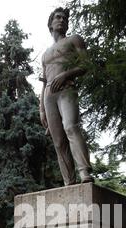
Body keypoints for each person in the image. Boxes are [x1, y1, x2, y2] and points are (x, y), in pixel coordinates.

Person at [40, 7, 94, 186]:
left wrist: (65, 74)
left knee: (71, 127)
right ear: (50, 24)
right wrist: (41, 110)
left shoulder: (74, 40)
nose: (61, 20)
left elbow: (86, 65)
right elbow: (44, 82)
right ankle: (68, 181)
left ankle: (84, 172)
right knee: (58, 141)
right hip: (49, 95)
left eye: (64, 18)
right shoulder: (45, 54)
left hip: (67, 88)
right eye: (57, 17)